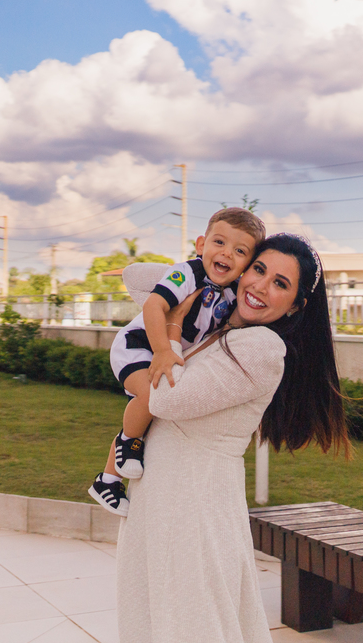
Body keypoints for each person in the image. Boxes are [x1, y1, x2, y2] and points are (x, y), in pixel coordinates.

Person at [117, 234, 349, 643]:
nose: (260, 286)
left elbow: (167, 397)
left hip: (192, 506)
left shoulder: (262, 348)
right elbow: (134, 278)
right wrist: (202, 266)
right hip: (163, 500)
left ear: (297, 304)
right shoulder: (223, 322)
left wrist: (173, 329)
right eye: (258, 268)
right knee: (152, 633)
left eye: (280, 282)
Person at [88, 207, 266, 517]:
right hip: (138, 346)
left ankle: (107, 481)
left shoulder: (232, 292)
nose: (226, 254)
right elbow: (155, 306)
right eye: (219, 243)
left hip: (164, 351)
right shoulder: (187, 273)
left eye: (240, 251)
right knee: (150, 396)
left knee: (146, 410)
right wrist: (162, 350)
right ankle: (129, 443)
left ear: (248, 264)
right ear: (201, 245)